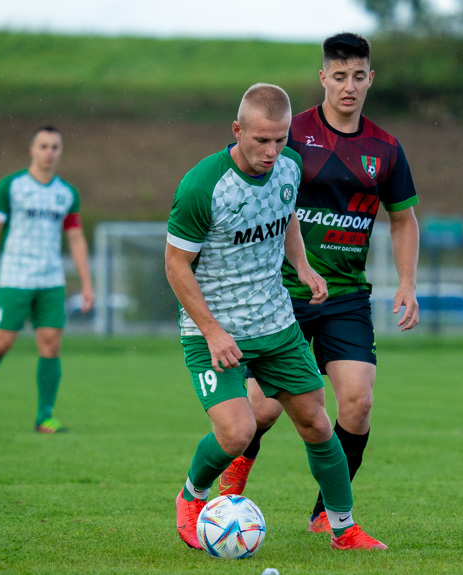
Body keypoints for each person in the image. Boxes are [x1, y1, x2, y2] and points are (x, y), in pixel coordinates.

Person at [165, 83, 386, 551]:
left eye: (281, 139)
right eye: (261, 140)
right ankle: (191, 497)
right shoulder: (202, 185)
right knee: (238, 431)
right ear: (237, 130)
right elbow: (175, 265)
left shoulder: (288, 168)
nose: (271, 151)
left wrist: (303, 266)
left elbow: (286, 216)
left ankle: (343, 529)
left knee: (318, 424)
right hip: (215, 331)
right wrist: (213, 331)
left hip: (276, 323)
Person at [218, 33, 420, 534]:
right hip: (281, 293)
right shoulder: (289, 133)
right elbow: (239, 180)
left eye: (358, 76)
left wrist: (407, 282)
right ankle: (232, 487)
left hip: (347, 296)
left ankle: (328, 514)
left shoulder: (386, 149)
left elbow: (403, 219)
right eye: (338, 75)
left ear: (370, 79)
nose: (348, 86)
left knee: (358, 400)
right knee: (261, 410)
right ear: (323, 77)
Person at [0, 126, 95, 434]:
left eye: (55, 147)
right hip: (14, 276)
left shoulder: (66, 193)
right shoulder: (11, 186)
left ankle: (44, 417)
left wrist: (87, 283)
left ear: (60, 152)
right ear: (32, 150)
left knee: (51, 344)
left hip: (50, 279)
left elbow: (75, 239)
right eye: (44, 146)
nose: (49, 152)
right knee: (0, 343)